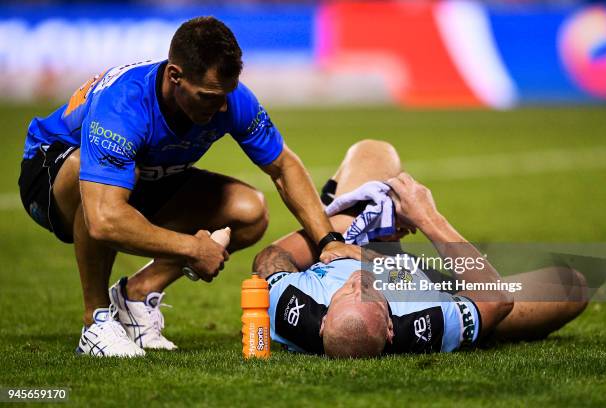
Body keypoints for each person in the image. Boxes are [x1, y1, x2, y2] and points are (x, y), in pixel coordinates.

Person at [18, 16, 359, 357]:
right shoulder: (124, 104)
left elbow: (283, 166)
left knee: (249, 211)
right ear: (175, 77)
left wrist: (328, 241)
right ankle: (96, 322)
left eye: (226, 94)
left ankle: (136, 295)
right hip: (52, 174)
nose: (222, 106)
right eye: (209, 96)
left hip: (143, 177)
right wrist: (193, 249)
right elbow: (104, 219)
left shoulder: (229, 98)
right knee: (95, 181)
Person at [253, 140, 589, 357]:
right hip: (429, 286)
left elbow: (269, 258)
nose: (359, 282)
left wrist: (337, 235)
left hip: (352, 245)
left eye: (347, 292)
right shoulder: (425, 325)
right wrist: (427, 217)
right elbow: (496, 299)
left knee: (373, 152)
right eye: (369, 293)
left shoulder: (291, 310)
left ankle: (366, 212)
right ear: (389, 330)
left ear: (324, 321)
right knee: (571, 284)